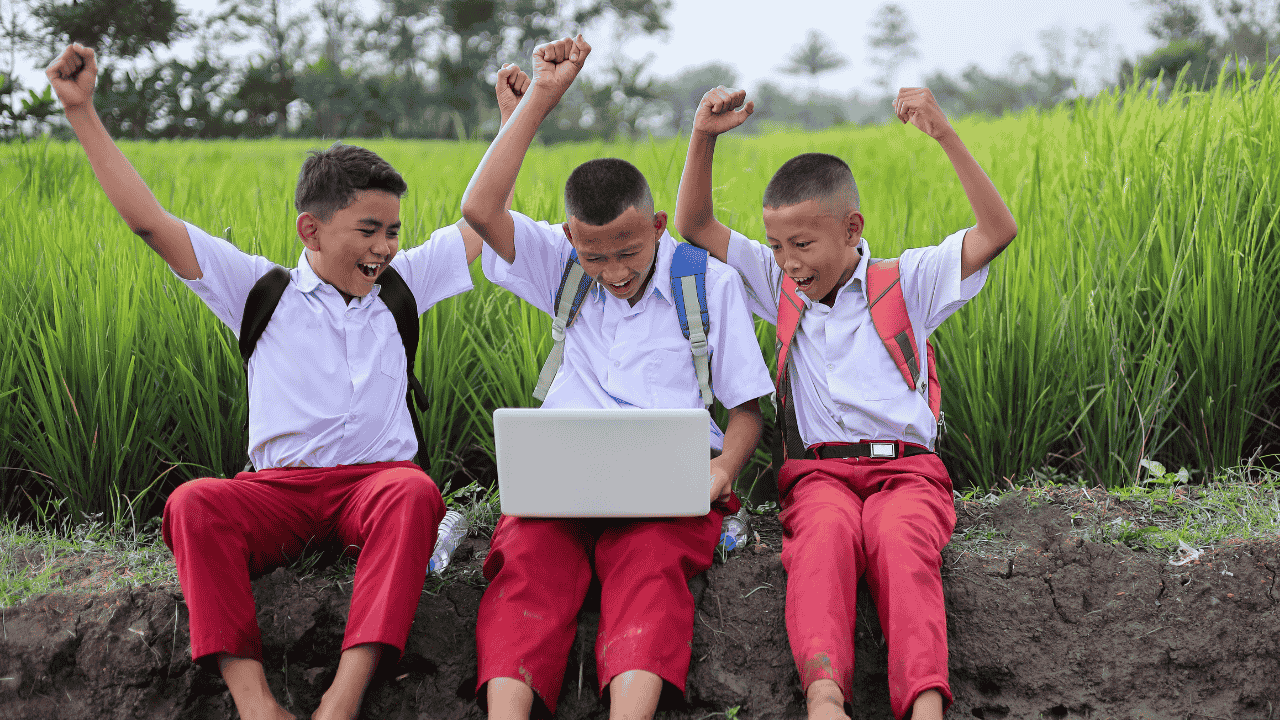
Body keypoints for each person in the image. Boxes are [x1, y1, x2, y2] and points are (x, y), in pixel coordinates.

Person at [44, 42, 530, 720]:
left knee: (415, 492)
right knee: (192, 504)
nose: (386, 247)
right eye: (368, 230)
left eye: (393, 231)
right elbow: (149, 224)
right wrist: (81, 110)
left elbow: (481, 219)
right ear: (312, 229)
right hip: (277, 493)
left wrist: (517, 119)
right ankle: (255, 702)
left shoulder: (402, 287)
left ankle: (343, 696)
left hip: (374, 489)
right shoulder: (259, 291)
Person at [674, 86, 1018, 720]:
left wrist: (943, 133)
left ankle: (924, 704)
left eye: (802, 244)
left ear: (852, 228)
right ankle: (825, 700)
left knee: (901, 542)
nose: (788, 262)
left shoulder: (907, 281)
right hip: (819, 475)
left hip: (906, 472)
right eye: (776, 246)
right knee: (821, 542)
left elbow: (997, 230)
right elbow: (693, 226)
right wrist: (705, 137)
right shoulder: (778, 284)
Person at [459, 36, 774, 720]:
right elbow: (481, 213)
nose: (615, 271)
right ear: (572, 240)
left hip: (666, 490)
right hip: (564, 478)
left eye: (629, 251)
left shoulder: (705, 283)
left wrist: (722, 473)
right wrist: (538, 102)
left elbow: (747, 406)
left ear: (658, 227)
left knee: (651, 571)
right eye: (596, 255)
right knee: (526, 565)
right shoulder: (564, 267)